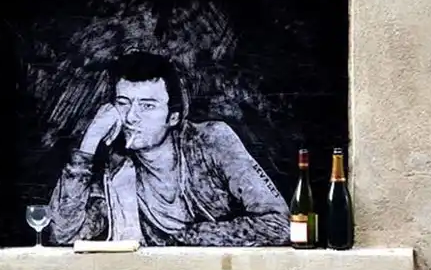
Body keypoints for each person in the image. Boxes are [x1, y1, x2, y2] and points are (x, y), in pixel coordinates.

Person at [48, 52, 290, 247]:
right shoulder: (116, 169)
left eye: (147, 106)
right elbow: (64, 235)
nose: (131, 117)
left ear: (173, 116)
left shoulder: (211, 141)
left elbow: (279, 224)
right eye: (123, 103)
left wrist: (189, 236)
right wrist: (89, 143)